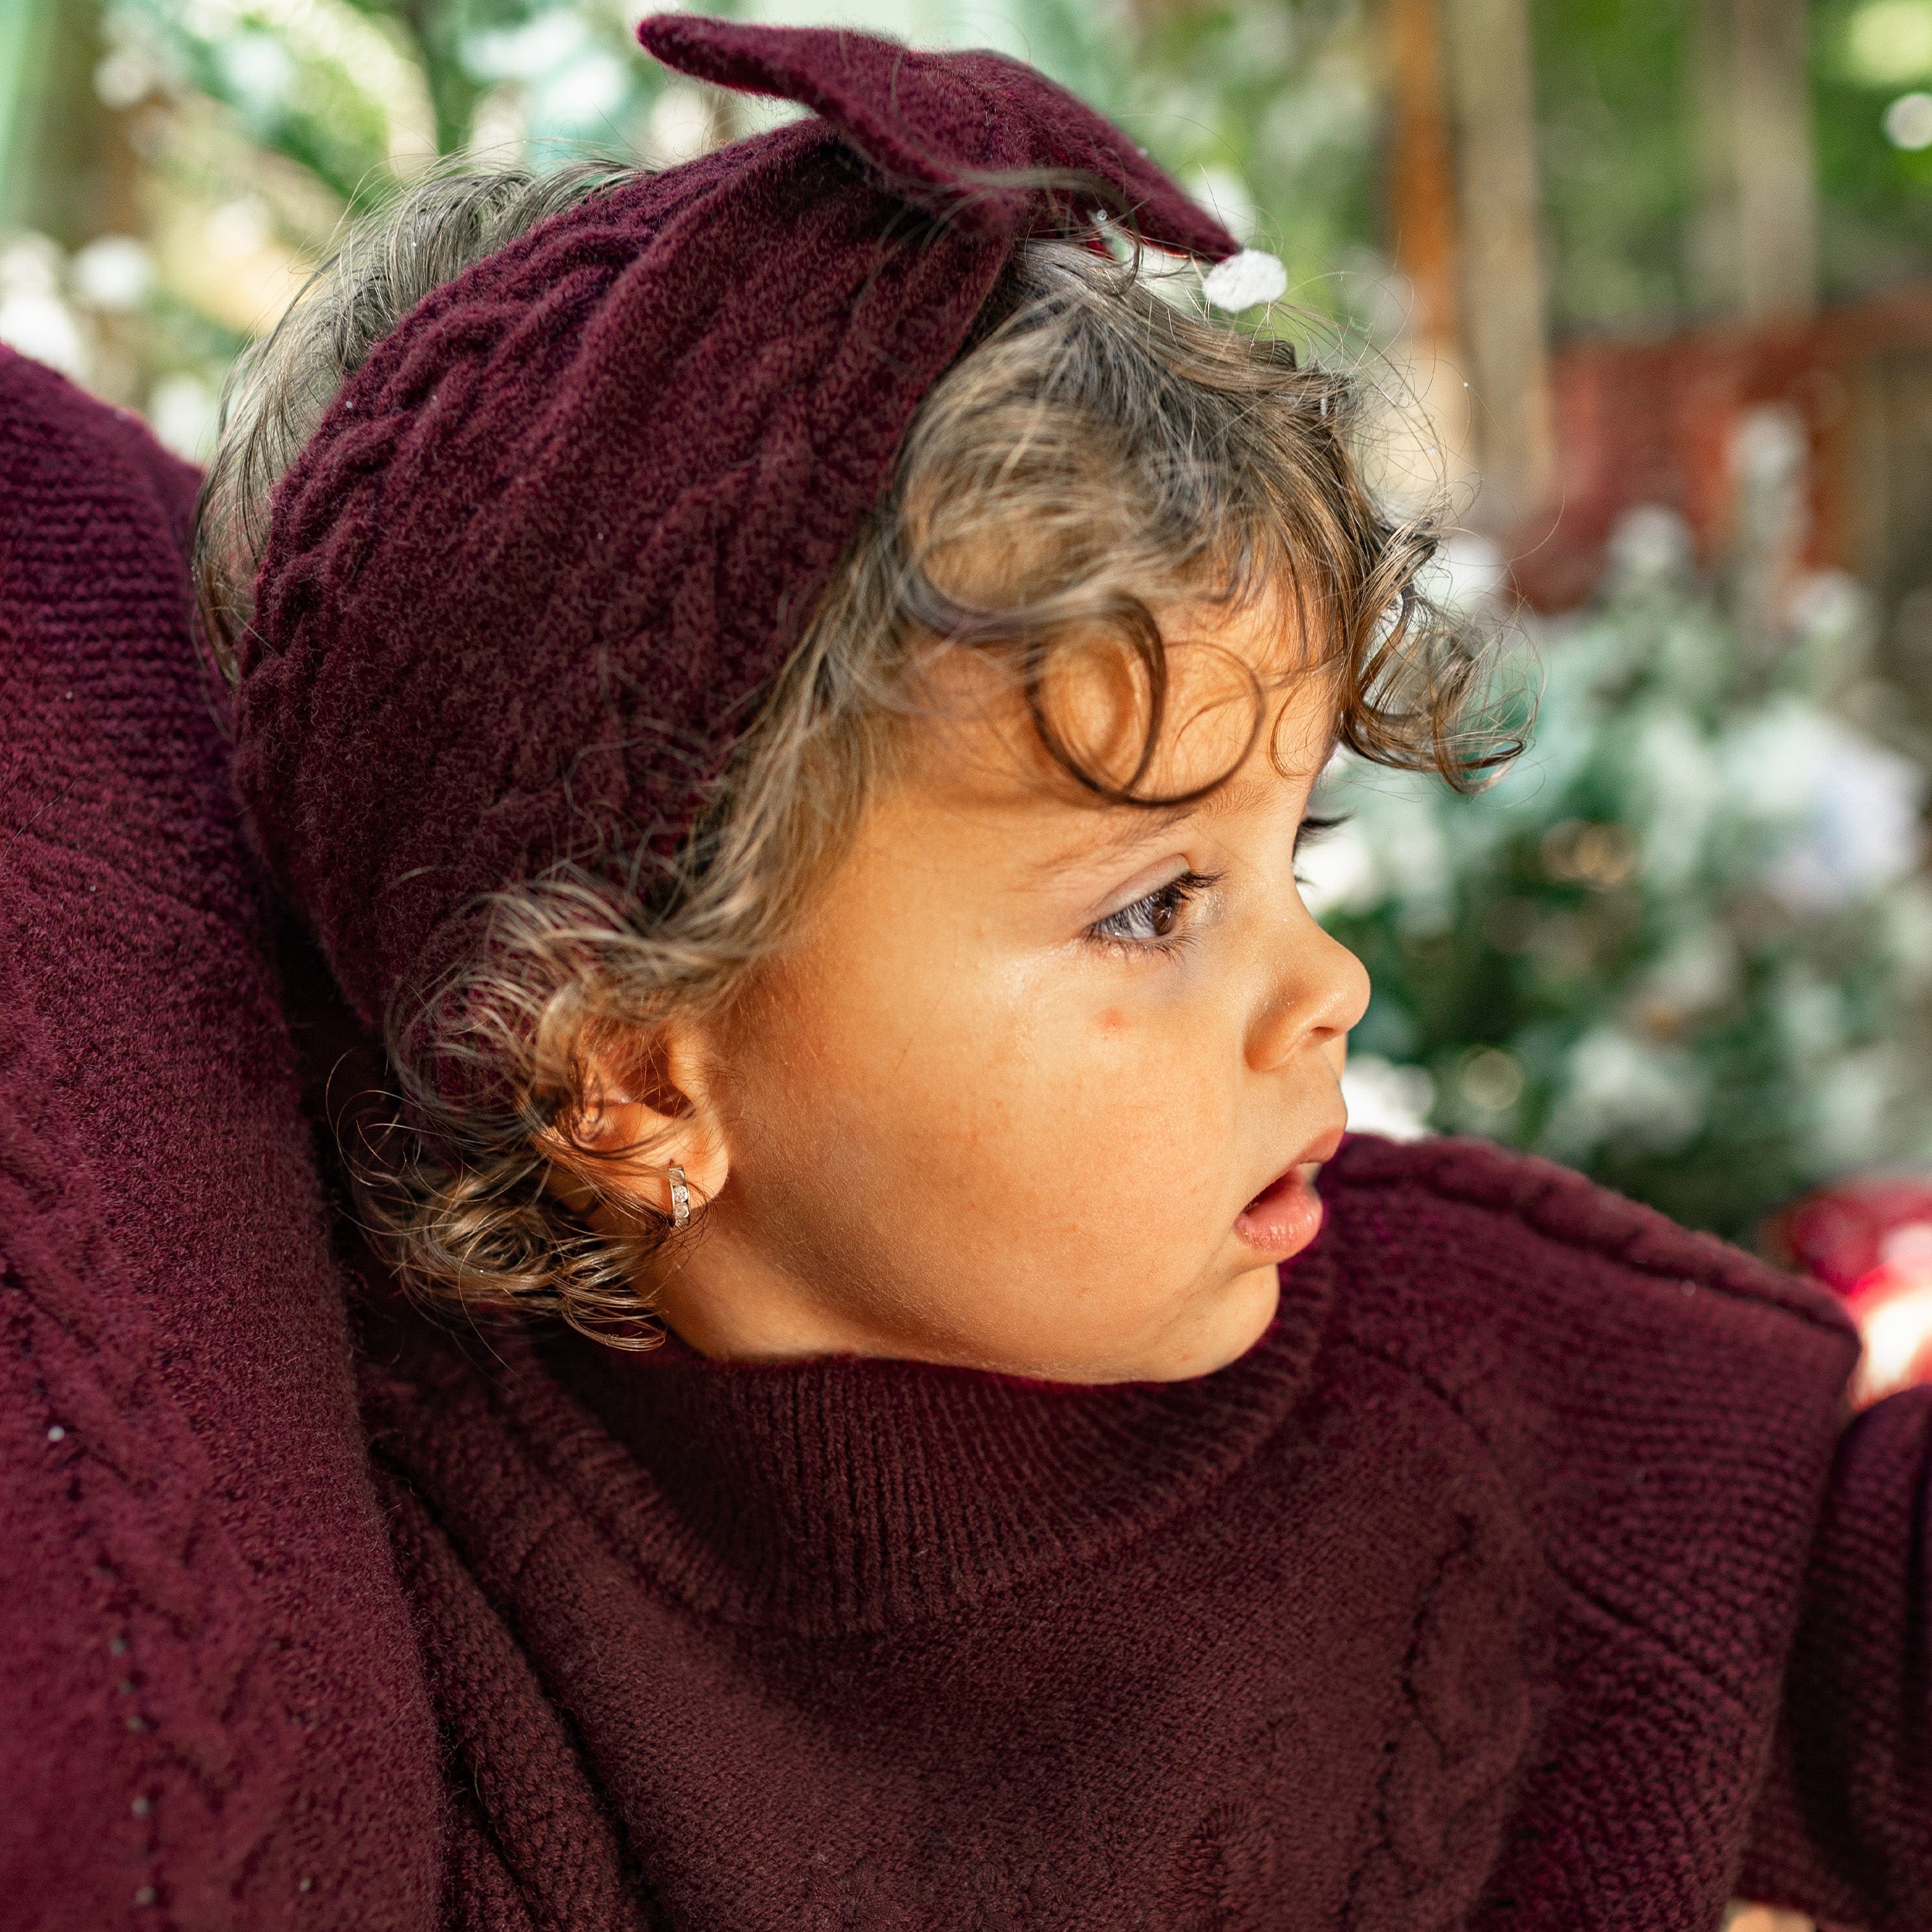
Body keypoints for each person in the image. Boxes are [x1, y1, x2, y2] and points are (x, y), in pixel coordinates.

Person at [4, 15, 1927, 1928]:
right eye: (1152, 902)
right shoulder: (426, 1574)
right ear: (632, 1068)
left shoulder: (1475, 1394)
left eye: (1291, 850)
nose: (1323, 984)